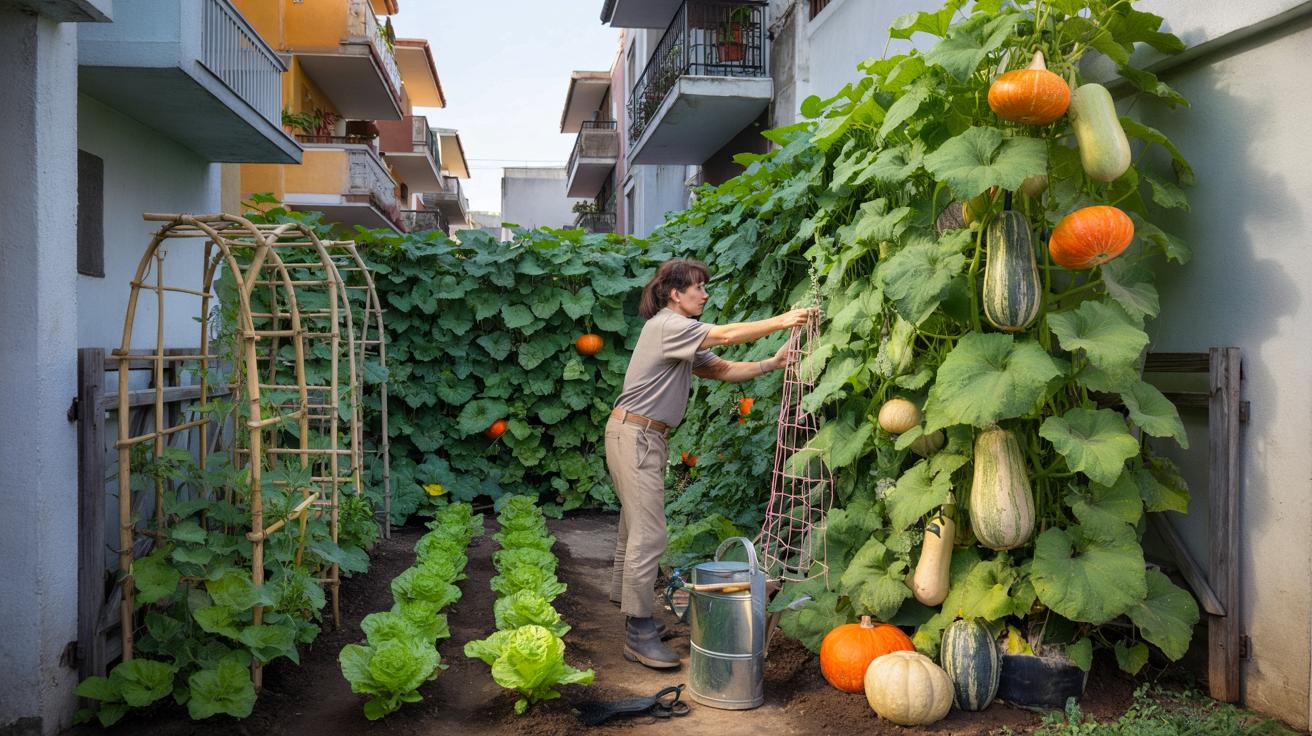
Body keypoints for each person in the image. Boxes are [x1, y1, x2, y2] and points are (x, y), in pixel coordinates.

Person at [605, 258, 815, 669]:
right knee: (650, 535)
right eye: (698, 288)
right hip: (635, 436)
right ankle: (638, 630)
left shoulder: (678, 335)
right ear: (674, 294)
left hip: (642, 436)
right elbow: (726, 336)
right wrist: (784, 320)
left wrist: (770, 364)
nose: (705, 294)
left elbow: (718, 368)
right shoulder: (668, 325)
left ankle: (634, 613)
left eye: (705, 287)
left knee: (634, 529)